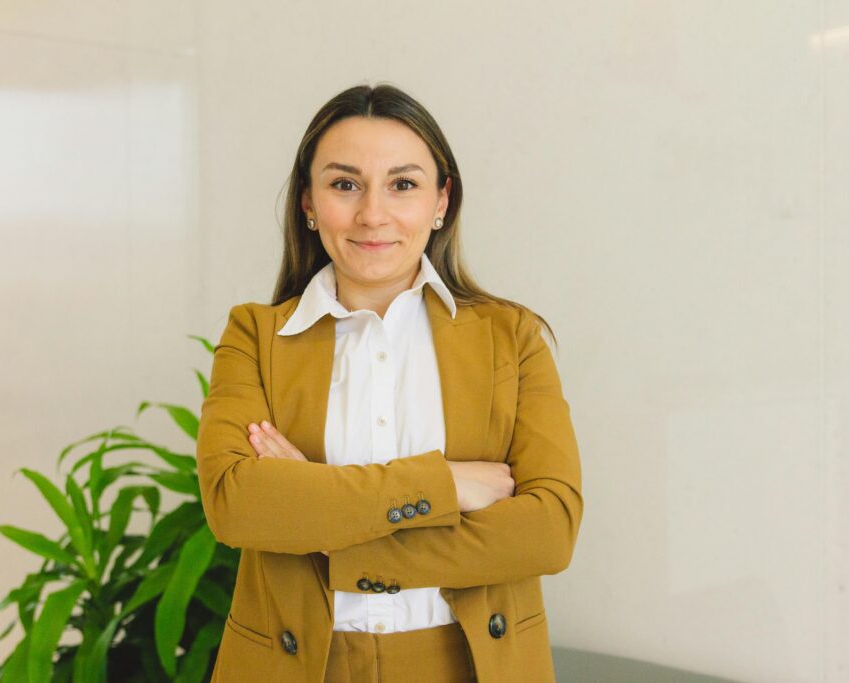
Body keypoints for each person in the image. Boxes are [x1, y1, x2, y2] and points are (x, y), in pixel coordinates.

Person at [196, 82, 583, 683]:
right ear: (308, 201)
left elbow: (549, 531)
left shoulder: (512, 338)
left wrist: (322, 521)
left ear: (440, 202)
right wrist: (444, 485)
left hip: (469, 666)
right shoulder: (255, 337)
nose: (372, 213)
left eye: (402, 184)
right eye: (344, 184)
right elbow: (238, 505)